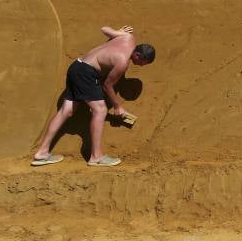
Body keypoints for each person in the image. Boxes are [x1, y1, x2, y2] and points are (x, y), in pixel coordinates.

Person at [31, 25, 155, 167]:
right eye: (142, 63)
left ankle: (42, 152)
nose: (140, 66)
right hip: (86, 73)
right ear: (138, 55)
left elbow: (104, 28)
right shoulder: (122, 62)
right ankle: (96, 156)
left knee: (66, 110)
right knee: (100, 110)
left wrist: (117, 33)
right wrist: (117, 106)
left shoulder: (128, 37)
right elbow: (107, 85)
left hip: (76, 67)